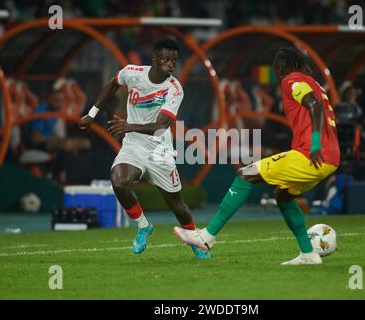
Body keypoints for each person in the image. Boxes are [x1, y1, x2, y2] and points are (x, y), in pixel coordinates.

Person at [174, 47, 340, 265]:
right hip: (330, 158)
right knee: (283, 195)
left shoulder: (291, 80)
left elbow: (314, 106)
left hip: (311, 154)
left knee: (245, 173)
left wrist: (316, 143)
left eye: (276, 68)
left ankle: (206, 237)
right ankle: (308, 254)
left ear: (282, 67)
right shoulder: (314, 83)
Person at [78, 37, 210, 259]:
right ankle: (143, 226)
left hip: (160, 149)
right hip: (134, 145)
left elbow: (161, 126)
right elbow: (113, 83)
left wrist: (129, 125)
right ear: (154, 59)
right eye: (166, 59)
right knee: (119, 180)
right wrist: (91, 114)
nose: (171, 64)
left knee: (176, 204)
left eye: (174, 61)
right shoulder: (133, 72)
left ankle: (195, 240)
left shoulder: (174, 89)